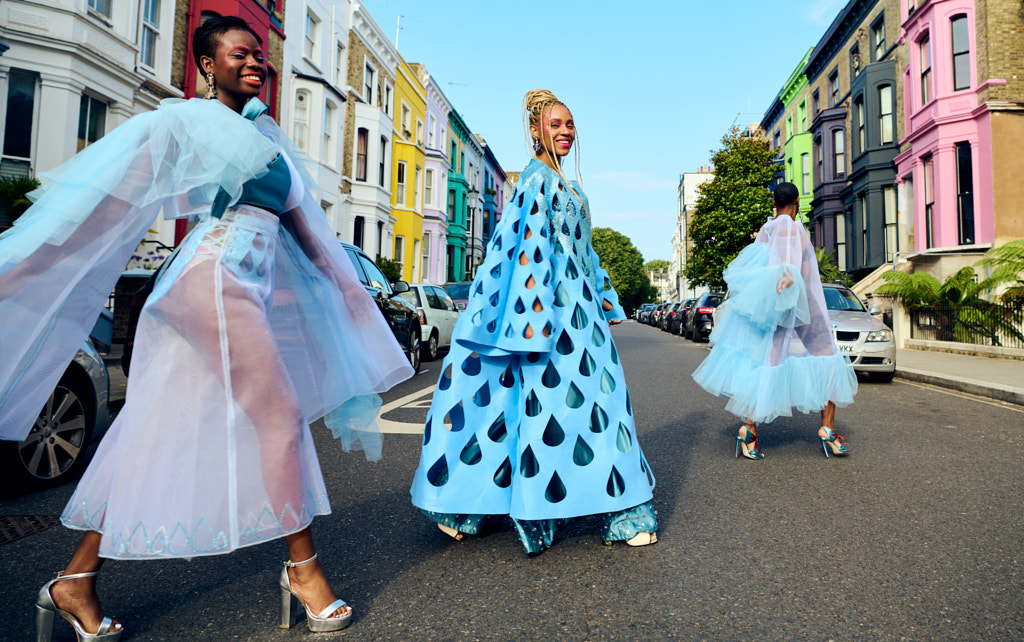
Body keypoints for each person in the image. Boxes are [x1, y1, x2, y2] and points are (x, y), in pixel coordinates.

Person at [0, 16, 412, 640]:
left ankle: (74, 582)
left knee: (153, 432)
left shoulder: (271, 145)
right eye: (239, 55)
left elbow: (315, 244)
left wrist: (358, 307)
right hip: (212, 280)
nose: (256, 64)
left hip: (229, 288)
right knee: (279, 418)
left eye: (260, 57)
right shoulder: (185, 122)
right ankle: (303, 570)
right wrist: (25, 264)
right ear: (206, 66)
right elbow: (111, 204)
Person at [409, 89, 657, 554]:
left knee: (592, 403)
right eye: (555, 124)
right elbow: (517, 250)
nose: (565, 132)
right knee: (543, 407)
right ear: (535, 131)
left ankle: (605, 507)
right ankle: (520, 507)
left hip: (579, 316)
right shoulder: (534, 181)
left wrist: (603, 298)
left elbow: (583, 249)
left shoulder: (566, 183)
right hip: (548, 316)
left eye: (569, 124)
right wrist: (530, 322)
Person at [692, 181, 857, 459]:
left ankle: (748, 429)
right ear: (797, 204)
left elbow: (758, 266)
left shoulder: (766, 230)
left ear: (774, 203)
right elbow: (792, 263)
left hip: (773, 306)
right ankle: (827, 429)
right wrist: (789, 276)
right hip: (803, 304)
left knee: (767, 363)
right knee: (828, 358)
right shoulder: (794, 227)